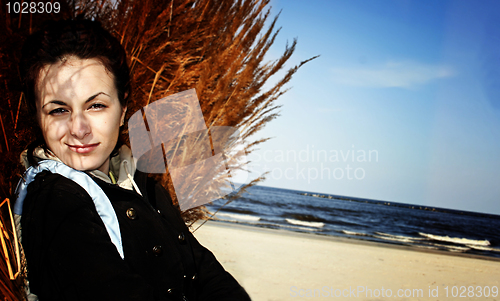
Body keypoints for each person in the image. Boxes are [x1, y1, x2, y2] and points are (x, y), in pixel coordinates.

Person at [14, 19, 251, 301]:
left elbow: (204, 270)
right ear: (38, 117)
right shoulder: (55, 200)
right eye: (58, 110)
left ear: (124, 107)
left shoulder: (142, 185)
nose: (78, 129)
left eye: (96, 105)